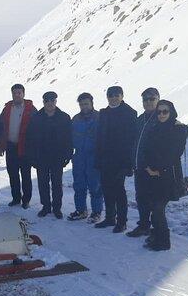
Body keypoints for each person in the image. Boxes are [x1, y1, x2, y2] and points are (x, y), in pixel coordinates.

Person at [142, 100, 188, 250]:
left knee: (158, 209)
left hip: (168, 175)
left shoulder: (177, 130)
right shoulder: (156, 128)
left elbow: (173, 154)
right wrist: (148, 167)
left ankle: (163, 241)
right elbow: (147, 149)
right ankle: (156, 235)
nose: (162, 115)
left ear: (171, 112)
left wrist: (158, 169)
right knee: (154, 207)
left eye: (165, 111)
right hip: (152, 174)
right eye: (159, 112)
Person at [94, 86, 137, 233]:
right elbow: (99, 137)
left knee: (119, 190)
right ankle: (110, 217)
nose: (113, 98)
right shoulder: (104, 113)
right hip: (105, 158)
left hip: (121, 159)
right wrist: (98, 158)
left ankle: (122, 221)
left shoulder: (130, 113)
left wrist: (128, 164)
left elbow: (131, 140)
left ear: (122, 96)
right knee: (106, 189)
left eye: (116, 95)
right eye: (110, 95)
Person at [25, 91, 73, 219]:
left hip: (58, 157)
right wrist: (32, 157)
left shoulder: (64, 117)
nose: (50, 103)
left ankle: (57, 208)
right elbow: (29, 139)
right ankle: (46, 206)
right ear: (43, 102)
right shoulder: (36, 118)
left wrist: (68, 154)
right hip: (41, 157)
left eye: (52, 100)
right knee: (43, 183)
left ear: (56, 101)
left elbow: (69, 138)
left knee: (57, 183)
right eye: (47, 101)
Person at [127, 87, 160, 237]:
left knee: (155, 200)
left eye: (151, 99)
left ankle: (157, 228)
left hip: (154, 168)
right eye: (145, 100)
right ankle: (144, 225)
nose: (148, 102)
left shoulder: (161, 117)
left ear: (158, 99)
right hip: (139, 166)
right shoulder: (140, 120)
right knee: (141, 197)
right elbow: (133, 142)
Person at [0, 84, 36, 209]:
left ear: (23, 94)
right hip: (10, 146)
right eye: (15, 93)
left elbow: (36, 128)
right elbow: (1, 127)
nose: (17, 95)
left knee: (25, 175)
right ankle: (16, 198)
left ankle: (26, 200)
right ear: (12, 94)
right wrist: (1, 145)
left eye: (19, 93)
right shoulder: (7, 108)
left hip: (25, 147)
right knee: (13, 174)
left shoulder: (31, 109)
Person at [68, 92, 103, 223]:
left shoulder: (99, 118)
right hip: (79, 157)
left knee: (95, 186)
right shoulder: (76, 119)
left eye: (86, 103)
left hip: (94, 156)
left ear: (92, 103)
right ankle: (81, 210)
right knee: (79, 185)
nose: (84, 106)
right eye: (82, 104)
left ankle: (96, 211)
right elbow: (70, 137)